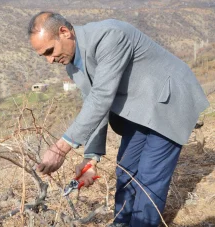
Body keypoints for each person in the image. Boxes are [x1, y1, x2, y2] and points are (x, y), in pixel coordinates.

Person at [28, 12, 209, 227]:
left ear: (64, 32)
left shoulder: (109, 36)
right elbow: (94, 104)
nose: (49, 60)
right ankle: (121, 223)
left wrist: (60, 148)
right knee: (126, 169)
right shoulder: (72, 65)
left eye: (50, 51)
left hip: (171, 98)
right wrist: (91, 157)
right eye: (43, 56)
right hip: (141, 106)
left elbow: (101, 98)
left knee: (149, 177)